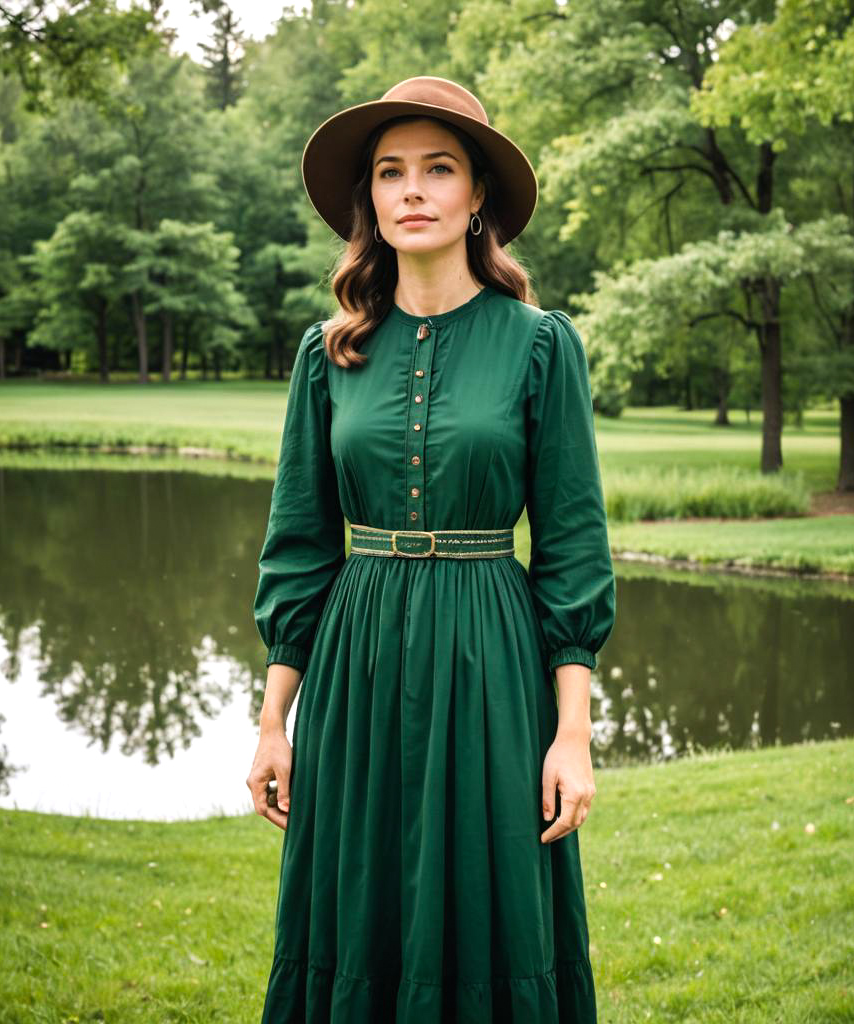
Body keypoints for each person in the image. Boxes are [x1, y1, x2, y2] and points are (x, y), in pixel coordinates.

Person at [245, 75, 616, 1023]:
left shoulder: (540, 345)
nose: (412, 190)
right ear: (368, 198)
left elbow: (572, 550)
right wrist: (273, 721)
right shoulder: (328, 355)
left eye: (438, 169)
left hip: (491, 661)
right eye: (390, 171)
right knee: (358, 900)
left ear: (478, 193)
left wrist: (571, 734)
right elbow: (298, 547)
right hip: (356, 663)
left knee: (488, 894)